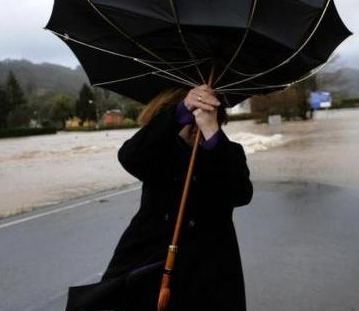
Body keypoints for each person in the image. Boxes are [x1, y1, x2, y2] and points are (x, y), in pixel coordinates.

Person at [66, 85, 253, 311]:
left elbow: (241, 193)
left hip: (209, 276)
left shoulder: (227, 152)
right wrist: (181, 110)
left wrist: (212, 133)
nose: (194, 124)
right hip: (150, 267)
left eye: (202, 114)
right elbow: (129, 157)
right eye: (191, 116)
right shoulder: (156, 151)